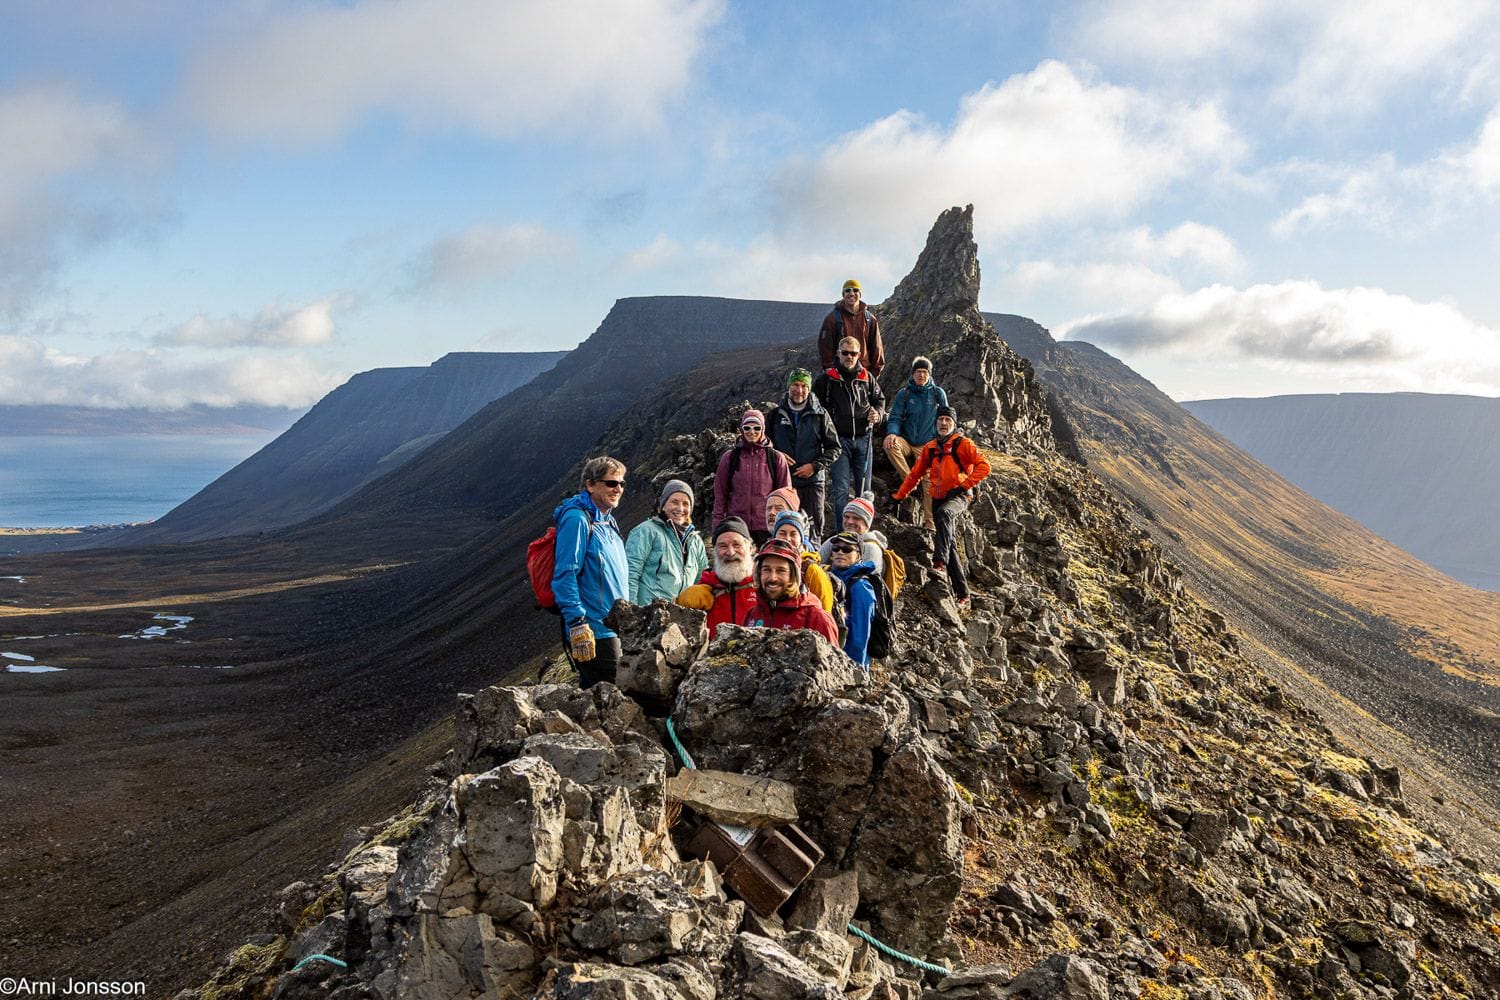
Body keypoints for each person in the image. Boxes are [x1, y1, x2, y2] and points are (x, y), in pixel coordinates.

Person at [891, 405, 992, 605]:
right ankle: (963, 593)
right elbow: (915, 475)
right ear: (936, 423)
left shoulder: (964, 444)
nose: (943, 423)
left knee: (945, 515)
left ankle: (939, 561)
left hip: (960, 496)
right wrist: (898, 496)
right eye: (940, 420)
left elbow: (984, 466)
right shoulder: (930, 448)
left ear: (954, 424)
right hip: (938, 498)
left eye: (948, 420)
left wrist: (963, 485)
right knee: (950, 543)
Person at [552, 456, 630, 688]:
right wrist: (577, 623)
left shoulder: (608, 522)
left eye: (621, 484)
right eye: (611, 483)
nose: (618, 489)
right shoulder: (577, 520)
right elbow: (565, 574)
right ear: (590, 485)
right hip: (594, 630)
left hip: (614, 628)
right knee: (612, 697)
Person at [814, 337, 885, 527]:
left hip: (864, 438)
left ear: (859, 355)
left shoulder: (867, 377)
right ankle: (841, 535)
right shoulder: (826, 379)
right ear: (838, 354)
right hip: (839, 443)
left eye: (853, 353)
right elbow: (815, 406)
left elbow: (879, 400)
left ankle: (863, 535)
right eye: (845, 353)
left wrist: (877, 413)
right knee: (841, 492)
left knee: (865, 492)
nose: (849, 357)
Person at [766, 369, 841, 541]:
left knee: (813, 533)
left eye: (803, 386)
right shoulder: (775, 415)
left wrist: (814, 466)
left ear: (809, 389)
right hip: (784, 484)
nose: (799, 390)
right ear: (788, 387)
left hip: (813, 484)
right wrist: (777, 455)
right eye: (795, 385)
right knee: (783, 532)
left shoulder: (820, 414)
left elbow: (835, 448)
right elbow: (765, 446)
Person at [883, 356, 949, 531]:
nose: (921, 375)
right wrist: (892, 433)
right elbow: (895, 416)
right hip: (906, 439)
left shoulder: (937, 393)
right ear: (912, 374)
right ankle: (909, 480)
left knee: (929, 480)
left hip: (927, 444)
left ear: (929, 374)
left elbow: (945, 418)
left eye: (924, 372)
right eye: (918, 372)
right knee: (890, 444)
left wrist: (941, 441)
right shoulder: (904, 393)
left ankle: (929, 522)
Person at [713, 409, 792, 545]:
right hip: (737, 526)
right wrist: (717, 528)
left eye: (757, 427)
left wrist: (785, 528)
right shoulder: (730, 458)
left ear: (763, 429)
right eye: (747, 427)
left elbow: (786, 496)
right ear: (741, 429)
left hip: (767, 527)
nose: (752, 431)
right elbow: (720, 495)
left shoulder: (776, 458)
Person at [739, 538, 839, 645]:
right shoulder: (752, 614)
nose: (773, 578)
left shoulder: (816, 618)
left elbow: (832, 660)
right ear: (759, 574)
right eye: (766, 569)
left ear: (794, 576)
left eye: (781, 570)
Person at [626, 479, 708, 604]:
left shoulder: (695, 540)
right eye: (674, 502)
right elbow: (631, 573)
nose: (680, 508)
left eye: (686, 504)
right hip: (648, 615)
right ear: (663, 505)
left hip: (682, 617)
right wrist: (631, 612)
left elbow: (701, 580)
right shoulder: (645, 531)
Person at [676, 517, 758, 635]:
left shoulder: (764, 587)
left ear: (750, 548)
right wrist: (682, 606)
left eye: (737, 545)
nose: (730, 553)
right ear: (714, 552)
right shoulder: (702, 591)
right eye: (723, 546)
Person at [825, 531, 878, 671]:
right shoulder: (828, 579)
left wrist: (854, 672)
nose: (840, 552)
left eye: (847, 549)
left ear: (858, 556)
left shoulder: (861, 586)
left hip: (850, 664)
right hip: (832, 658)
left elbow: (860, 637)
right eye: (836, 548)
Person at [771, 509, 835, 614]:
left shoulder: (812, 570)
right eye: (782, 533)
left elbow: (825, 612)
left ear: (801, 539)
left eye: (793, 534)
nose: (787, 538)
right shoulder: (766, 564)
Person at [818, 279, 885, 376]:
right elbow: (825, 350)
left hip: (863, 375)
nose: (852, 293)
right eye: (848, 290)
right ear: (843, 294)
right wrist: (831, 374)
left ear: (860, 294)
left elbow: (877, 349)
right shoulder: (831, 319)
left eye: (855, 290)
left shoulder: (870, 319)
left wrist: (872, 377)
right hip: (839, 376)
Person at [818, 495, 886, 576]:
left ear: (867, 523)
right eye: (846, 517)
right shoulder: (834, 540)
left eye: (856, 518)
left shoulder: (871, 548)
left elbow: (867, 580)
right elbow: (815, 561)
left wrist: (827, 571)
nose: (849, 521)